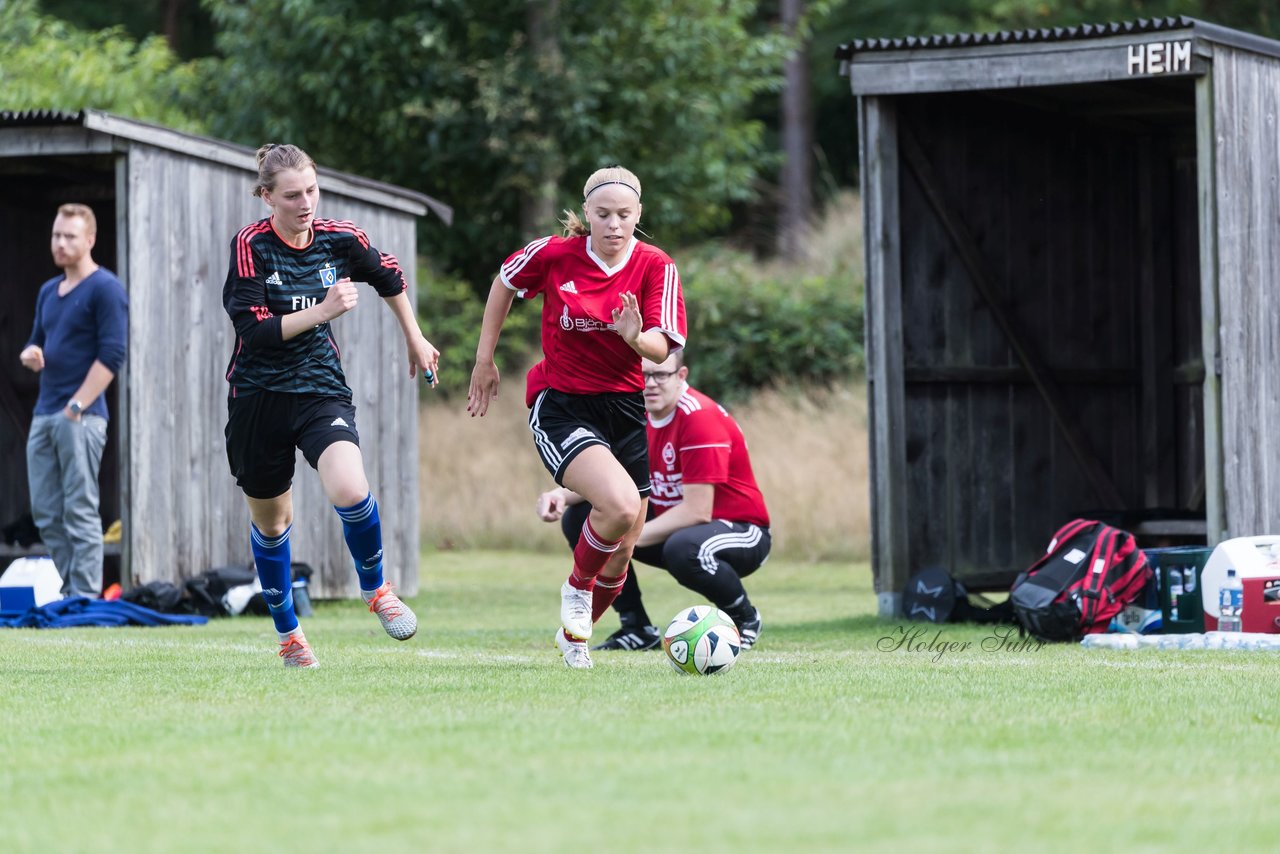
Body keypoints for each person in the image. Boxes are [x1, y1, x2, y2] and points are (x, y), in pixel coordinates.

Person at [223, 143, 439, 668]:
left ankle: (378, 591)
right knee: (274, 523)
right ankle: (290, 635)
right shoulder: (251, 245)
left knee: (350, 486)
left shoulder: (340, 238)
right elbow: (253, 332)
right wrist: (323, 310)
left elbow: (390, 278)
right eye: (292, 195)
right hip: (257, 397)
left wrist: (414, 336)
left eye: (312, 191)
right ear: (267, 196)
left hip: (319, 387)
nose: (306, 203)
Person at [468, 165, 686, 669]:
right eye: (603, 214)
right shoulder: (553, 254)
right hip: (563, 402)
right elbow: (503, 283)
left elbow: (661, 349)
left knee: (624, 546)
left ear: (638, 216)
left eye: (624, 215)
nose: (614, 225)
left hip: (628, 409)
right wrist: (484, 358)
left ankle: (574, 638)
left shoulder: (657, 266)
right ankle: (575, 589)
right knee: (617, 503)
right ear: (586, 213)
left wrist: (633, 335)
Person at [537, 350, 770, 651]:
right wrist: (560, 495)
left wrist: (625, 539)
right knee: (582, 517)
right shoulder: (634, 416)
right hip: (680, 531)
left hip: (742, 532)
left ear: (681, 376)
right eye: (642, 375)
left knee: (680, 548)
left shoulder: (699, 418)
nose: (650, 384)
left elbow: (697, 512)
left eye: (660, 374)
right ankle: (637, 628)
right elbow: (612, 486)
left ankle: (745, 619)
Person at [20, 203, 128, 600]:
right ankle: (72, 592)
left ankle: (83, 597)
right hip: (44, 414)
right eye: (56, 235)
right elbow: (36, 340)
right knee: (46, 512)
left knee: (79, 509)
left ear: (90, 240)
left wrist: (76, 408)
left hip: (80, 416)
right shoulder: (50, 291)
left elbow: (113, 355)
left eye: (69, 236)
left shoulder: (106, 288)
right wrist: (30, 354)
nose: (60, 243)